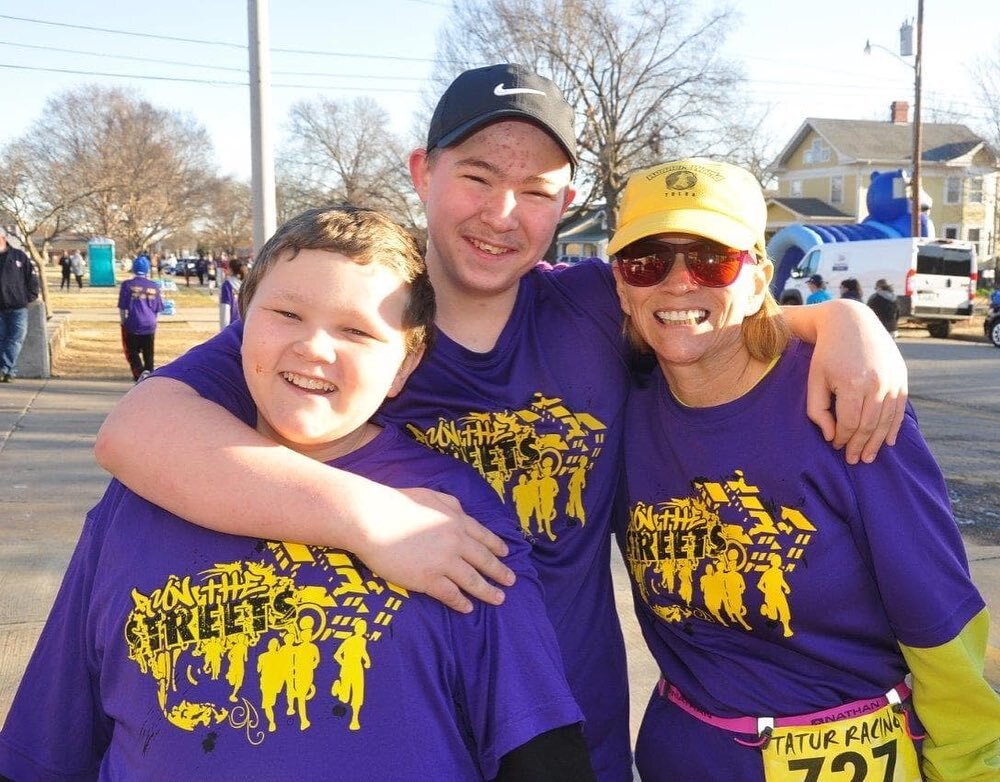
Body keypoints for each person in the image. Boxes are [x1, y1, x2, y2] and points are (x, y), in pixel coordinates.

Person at [93, 64, 909, 781]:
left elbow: (704, 314)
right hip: (401, 736)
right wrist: (372, 521)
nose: (502, 213)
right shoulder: (352, 324)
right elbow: (134, 430)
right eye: (476, 177)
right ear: (422, 170)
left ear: (569, 202)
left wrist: (841, 321)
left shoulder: (593, 305)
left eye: (537, 191)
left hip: (566, 739)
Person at [0, 205, 593, 781]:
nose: (313, 347)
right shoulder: (144, 493)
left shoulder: (455, 508)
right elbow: (52, 736)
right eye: (285, 313)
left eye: (357, 330)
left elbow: (534, 740)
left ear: (407, 363)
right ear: (242, 325)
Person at [608, 158, 1000, 781]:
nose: (679, 282)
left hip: (847, 758)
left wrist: (972, 767)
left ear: (760, 273)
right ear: (621, 285)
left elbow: (937, 615)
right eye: (646, 260)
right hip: (682, 754)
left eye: (713, 259)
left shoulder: (846, 399)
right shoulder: (617, 409)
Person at [0, 227, 40, 383]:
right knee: (2, 339)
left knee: (16, 338)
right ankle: (8, 371)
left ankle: (5, 369)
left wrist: (29, 297)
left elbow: (32, 279)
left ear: (3, 238)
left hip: (18, 307)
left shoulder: (19, 256)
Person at [118, 253, 164, 381]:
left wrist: (123, 321)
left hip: (133, 323)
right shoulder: (154, 286)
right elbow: (158, 309)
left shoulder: (127, 285)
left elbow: (122, 307)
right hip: (149, 324)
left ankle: (139, 374)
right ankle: (149, 376)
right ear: (147, 269)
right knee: (149, 354)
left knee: (132, 352)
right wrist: (155, 323)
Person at [219, 257, 246, 329]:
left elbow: (225, 308)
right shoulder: (247, 284)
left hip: (233, 326)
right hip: (246, 325)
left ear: (230, 269)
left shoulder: (227, 285)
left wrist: (224, 330)